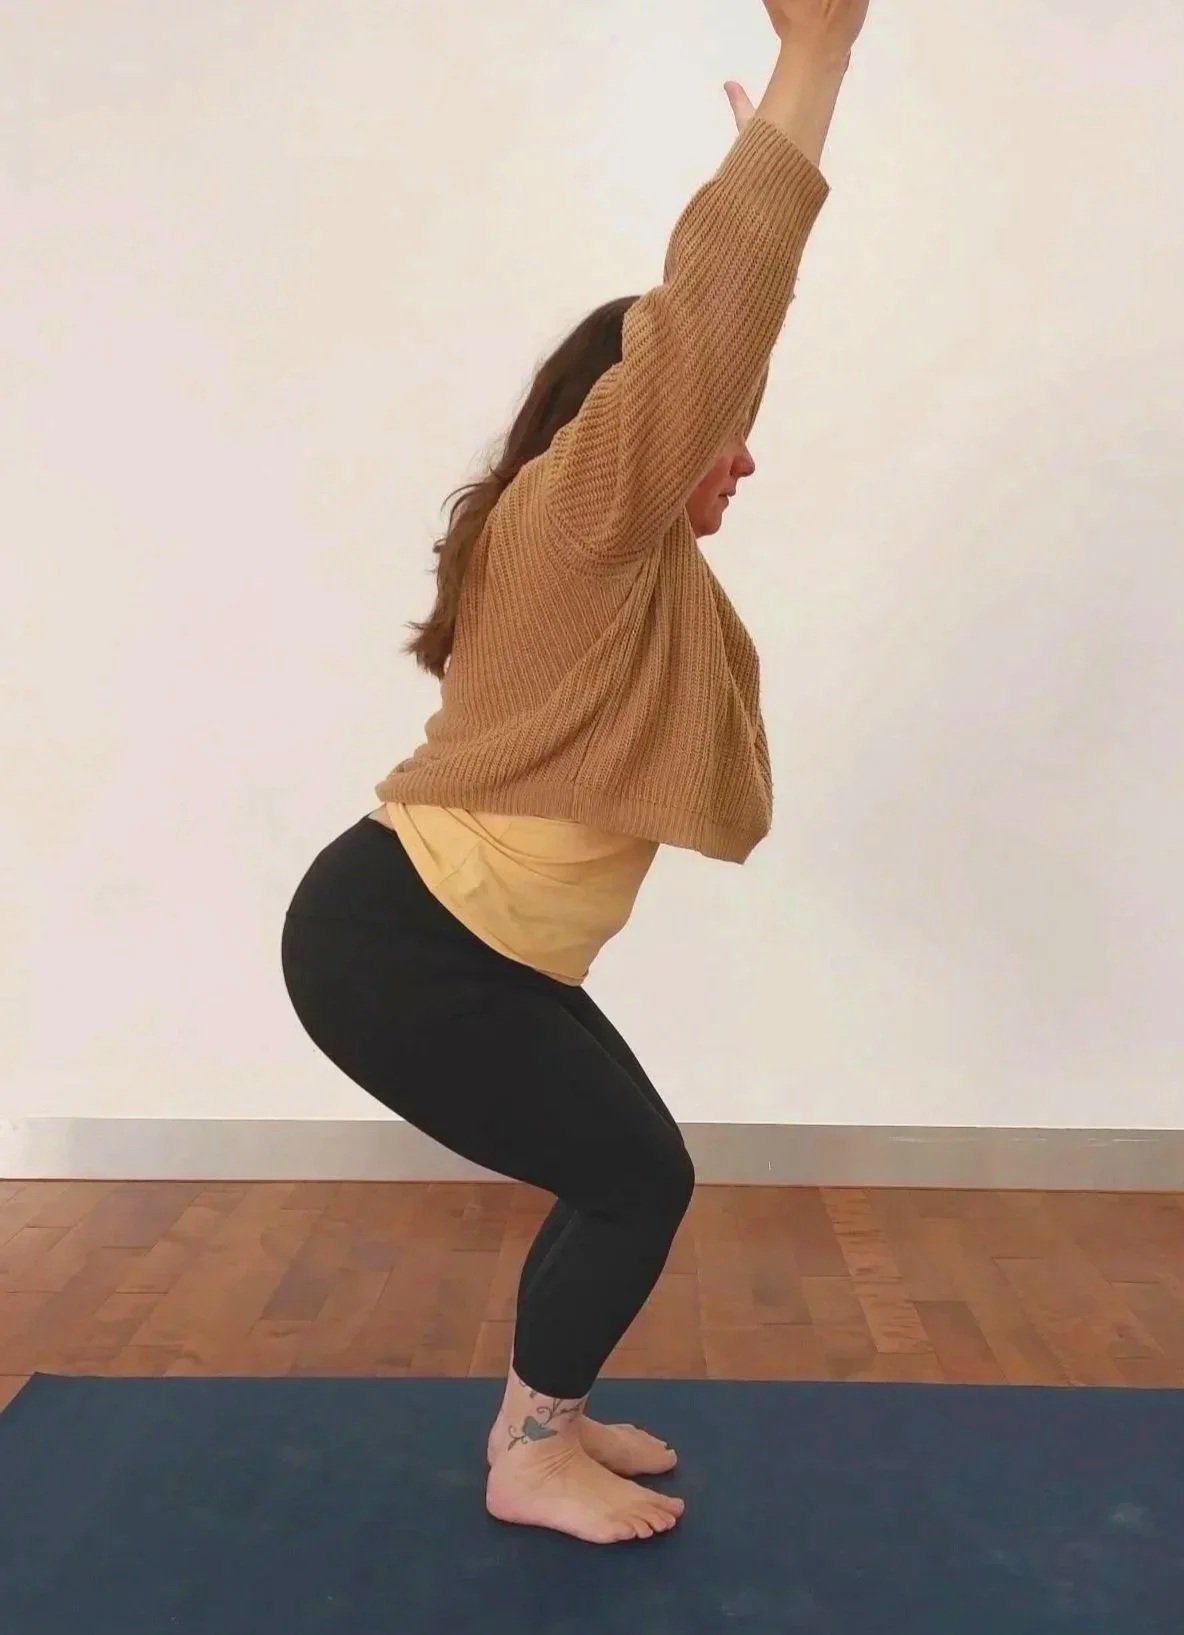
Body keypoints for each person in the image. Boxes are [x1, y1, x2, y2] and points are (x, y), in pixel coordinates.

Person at [281, 0, 869, 1546]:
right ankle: (529, 1452)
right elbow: (711, 315)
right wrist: (811, 78)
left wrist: (763, 166)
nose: (739, 456)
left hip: (468, 943)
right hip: (407, 948)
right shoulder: (580, 513)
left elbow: (712, 338)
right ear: (637, 423)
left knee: (622, 1174)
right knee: (637, 1182)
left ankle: (547, 1408)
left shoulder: (614, 557)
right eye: (721, 427)